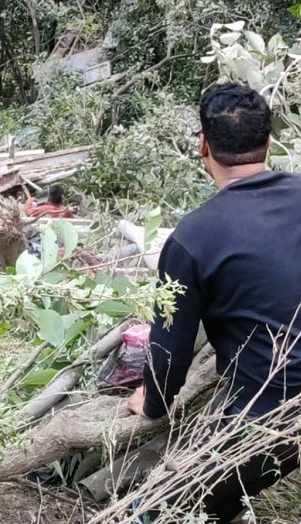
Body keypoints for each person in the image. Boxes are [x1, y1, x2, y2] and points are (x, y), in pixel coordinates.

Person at [127, 83, 301, 523]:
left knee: (154, 512)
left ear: (203, 145)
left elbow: (170, 352)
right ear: (269, 140)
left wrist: (150, 400)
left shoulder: (192, 238)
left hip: (273, 416)